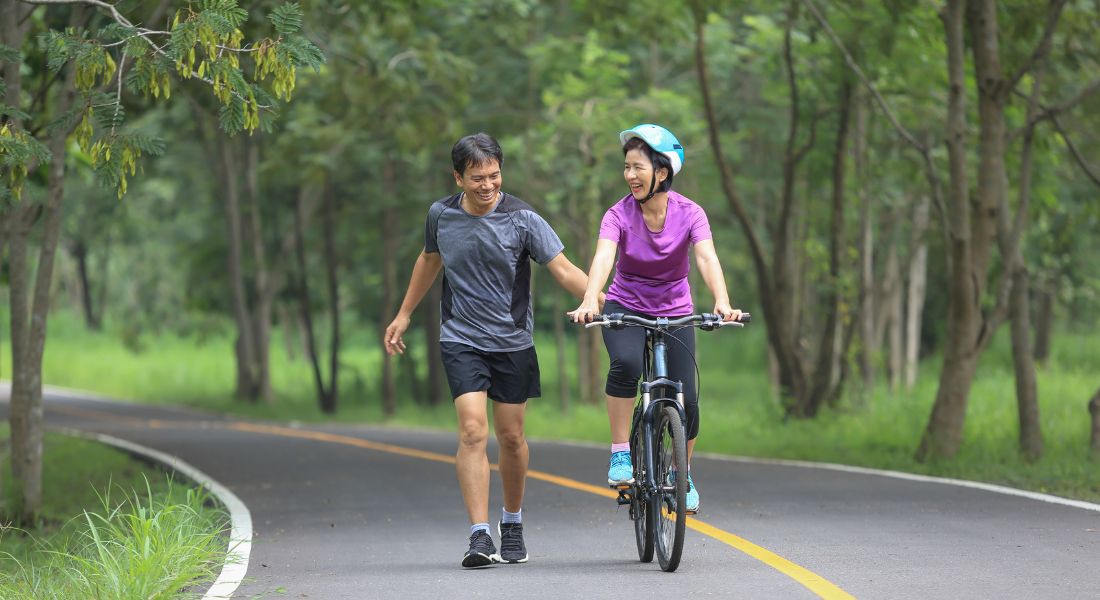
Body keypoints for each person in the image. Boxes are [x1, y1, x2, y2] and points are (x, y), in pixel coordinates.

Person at [384, 132, 593, 569]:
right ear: (458, 176)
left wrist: (601, 301)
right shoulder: (440, 215)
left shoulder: (523, 219)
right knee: (473, 431)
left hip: (512, 341)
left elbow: (564, 269)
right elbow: (429, 259)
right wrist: (404, 314)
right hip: (461, 338)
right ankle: (479, 535)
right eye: (477, 178)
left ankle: (511, 522)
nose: (487, 186)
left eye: (494, 176)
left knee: (512, 437)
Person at [568, 123, 742, 513]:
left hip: (675, 310)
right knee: (627, 364)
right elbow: (603, 257)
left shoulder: (690, 212)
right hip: (625, 305)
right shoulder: (618, 214)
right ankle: (619, 454)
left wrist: (722, 299)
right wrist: (589, 299)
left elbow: (706, 257)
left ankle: (682, 472)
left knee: (689, 401)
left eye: (638, 168)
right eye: (626, 167)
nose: (630, 175)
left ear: (661, 172)